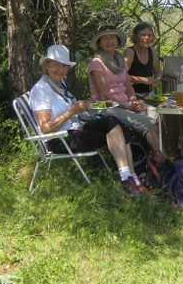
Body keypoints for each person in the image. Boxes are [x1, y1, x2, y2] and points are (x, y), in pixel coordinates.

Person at [29, 44, 143, 197]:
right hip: (59, 140)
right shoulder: (41, 90)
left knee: (114, 123)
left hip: (74, 130)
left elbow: (72, 108)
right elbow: (45, 128)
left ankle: (130, 177)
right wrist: (71, 112)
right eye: (55, 65)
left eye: (63, 66)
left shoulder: (59, 84)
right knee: (113, 127)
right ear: (46, 65)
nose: (60, 70)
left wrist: (86, 105)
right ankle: (127, 178)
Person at [88, 26, 162, 154]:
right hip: (103, 105)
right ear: (99, 42)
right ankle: (161, 157)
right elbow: (105, 94)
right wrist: (127, 107)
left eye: (113, 38)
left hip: (123, 103)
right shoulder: (96, 63)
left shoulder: (119, 60)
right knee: (145, 121)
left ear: (117, 42)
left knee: (154, 112)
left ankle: (148, 154)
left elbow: (128, 85)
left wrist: (133, 100)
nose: (109, 41)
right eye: (105, 38)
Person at [123, 22, 162, 96]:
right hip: (130, 95)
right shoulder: (130, 52)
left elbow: (158, 71)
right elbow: (122, 75)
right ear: (135, 37)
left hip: (149, 95)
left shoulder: (152, 51)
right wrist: (144, 80)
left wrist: (157, 79)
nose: (147, 38)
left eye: (149, 35)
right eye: (143, 35)